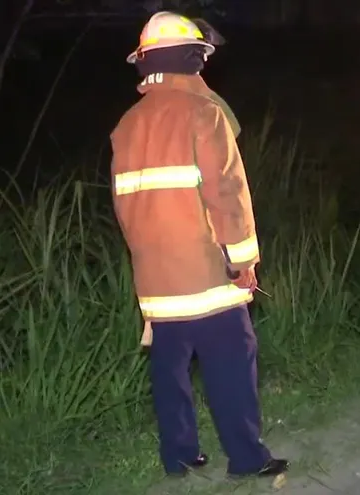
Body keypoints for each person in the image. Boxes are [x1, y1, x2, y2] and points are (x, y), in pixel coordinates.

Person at [110, 11, 288, 478]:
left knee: (170, 372)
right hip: (208, 277)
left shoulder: (126, 125)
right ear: (192, 58)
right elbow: (227, 194)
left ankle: (179, 456)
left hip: (155, 283)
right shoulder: (205, 113)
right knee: (231, 365)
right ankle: (247, 459)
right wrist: (243, 261)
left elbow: (125, 209)